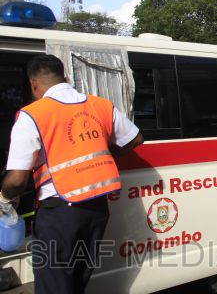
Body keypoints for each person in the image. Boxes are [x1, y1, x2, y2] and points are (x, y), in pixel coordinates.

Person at [0, 54, 143, 294]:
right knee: (78, 281)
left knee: (54, 285)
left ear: (33, 84)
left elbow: (16, 180)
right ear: (65, 77)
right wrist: (106, 151)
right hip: (97, 210)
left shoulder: (31, 115)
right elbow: (135, 138)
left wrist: (3, 199)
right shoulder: (101, 105)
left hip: (59, 215)